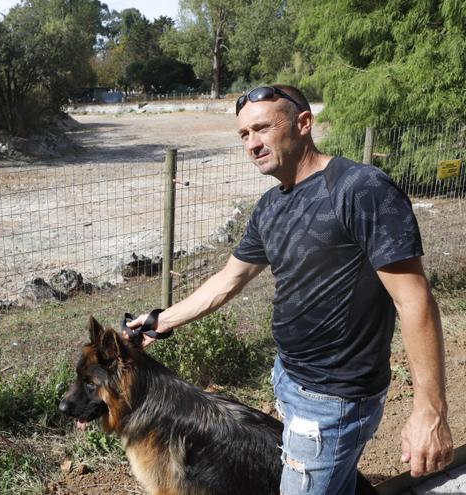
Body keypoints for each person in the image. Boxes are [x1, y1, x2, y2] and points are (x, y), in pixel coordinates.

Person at [126, 84, 453, 493]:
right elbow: (229, 280)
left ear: (303, 123)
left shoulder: (360, 189)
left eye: (262, 128)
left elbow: (414, 300)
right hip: (290, 378)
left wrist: (430, 409)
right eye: (244, 135)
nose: (252, 143)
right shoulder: (271, 206)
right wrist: (159, 322)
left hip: (334, 397)